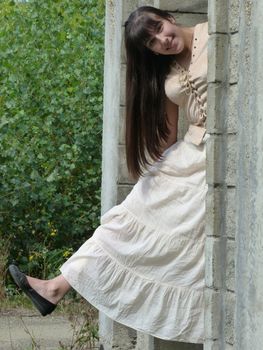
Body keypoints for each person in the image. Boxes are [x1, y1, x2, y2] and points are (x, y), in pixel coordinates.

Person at [9, 6, 208, 344]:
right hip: (189, 153)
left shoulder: (214, 33)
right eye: (153, 43)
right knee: (126, 218)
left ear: (170, 18)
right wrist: (153, 175)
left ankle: (56, 288)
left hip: (216, 155)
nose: (163, 40)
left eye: (160, 28)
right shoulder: (167, 70)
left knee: (174, 240)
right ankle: (56, 287)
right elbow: (169, 133)